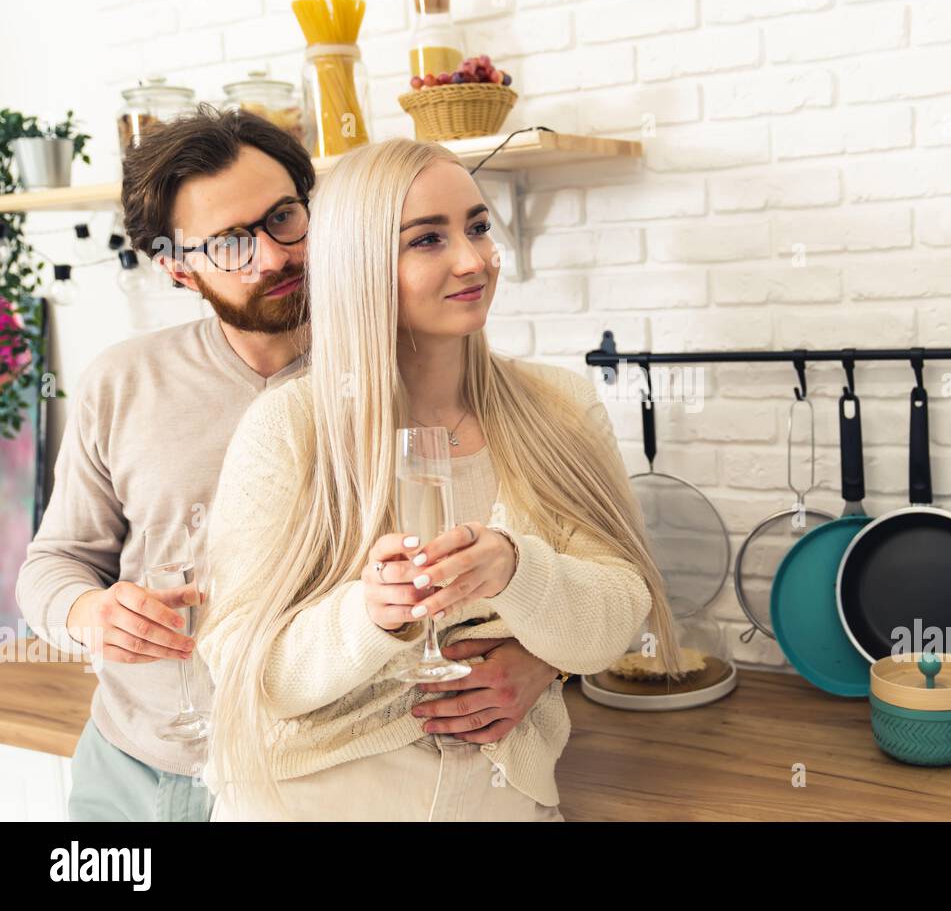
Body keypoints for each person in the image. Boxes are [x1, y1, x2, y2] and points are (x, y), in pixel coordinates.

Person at [15, 108, 560, 821]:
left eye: (282, 219)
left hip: (312, 784)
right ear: (176, 268)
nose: (271, 258)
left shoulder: (419, 369)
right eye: (229, 244)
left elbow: (531, 564)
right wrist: (88, 612)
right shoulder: (123, 381)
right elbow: (54, 562)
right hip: (133, 766)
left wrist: (546, 665)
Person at [197, 136, 683, 821]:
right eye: (427, 240)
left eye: (478, 227)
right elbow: (251, 672)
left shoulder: (559, 408)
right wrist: (369, 614)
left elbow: (615, 621)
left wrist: (520, 574)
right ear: (360, 265)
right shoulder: (290, 428)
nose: (474, 260)